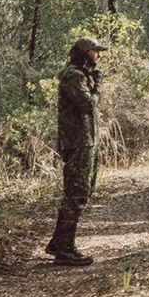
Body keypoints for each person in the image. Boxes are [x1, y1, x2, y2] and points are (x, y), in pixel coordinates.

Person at [44, 36, 108, 266]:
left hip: (85, 142)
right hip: (77, 143)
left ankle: (59, 243)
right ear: (84, 53)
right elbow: (88, 105)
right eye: (94, 51)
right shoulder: (73, 75)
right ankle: (65, 248)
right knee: (75, 195)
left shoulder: (82, 75)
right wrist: (98, 85)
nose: (98, 56)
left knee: (81, 192)